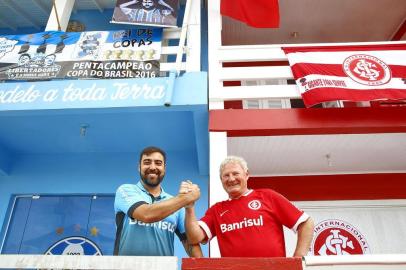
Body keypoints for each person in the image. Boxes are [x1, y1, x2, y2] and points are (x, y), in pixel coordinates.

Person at [184, 156, 314, 257]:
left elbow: (306, 223)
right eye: (226, 175)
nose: (231, 179)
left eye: (235, 173)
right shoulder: (217, 210)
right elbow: (194, 237)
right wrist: (189, 206)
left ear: (247, 175)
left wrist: (298, 258)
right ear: (221, 180)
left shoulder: (268, 196)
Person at [114, 146, 202, 257]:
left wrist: (189, 206)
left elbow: (191, 244)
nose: (152, 167)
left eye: (158, 163)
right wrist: (186, 198)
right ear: (139, 167)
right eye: (147, 162)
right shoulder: (125, 190)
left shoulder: (176, 203)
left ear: (164, 168)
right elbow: (146, 214)